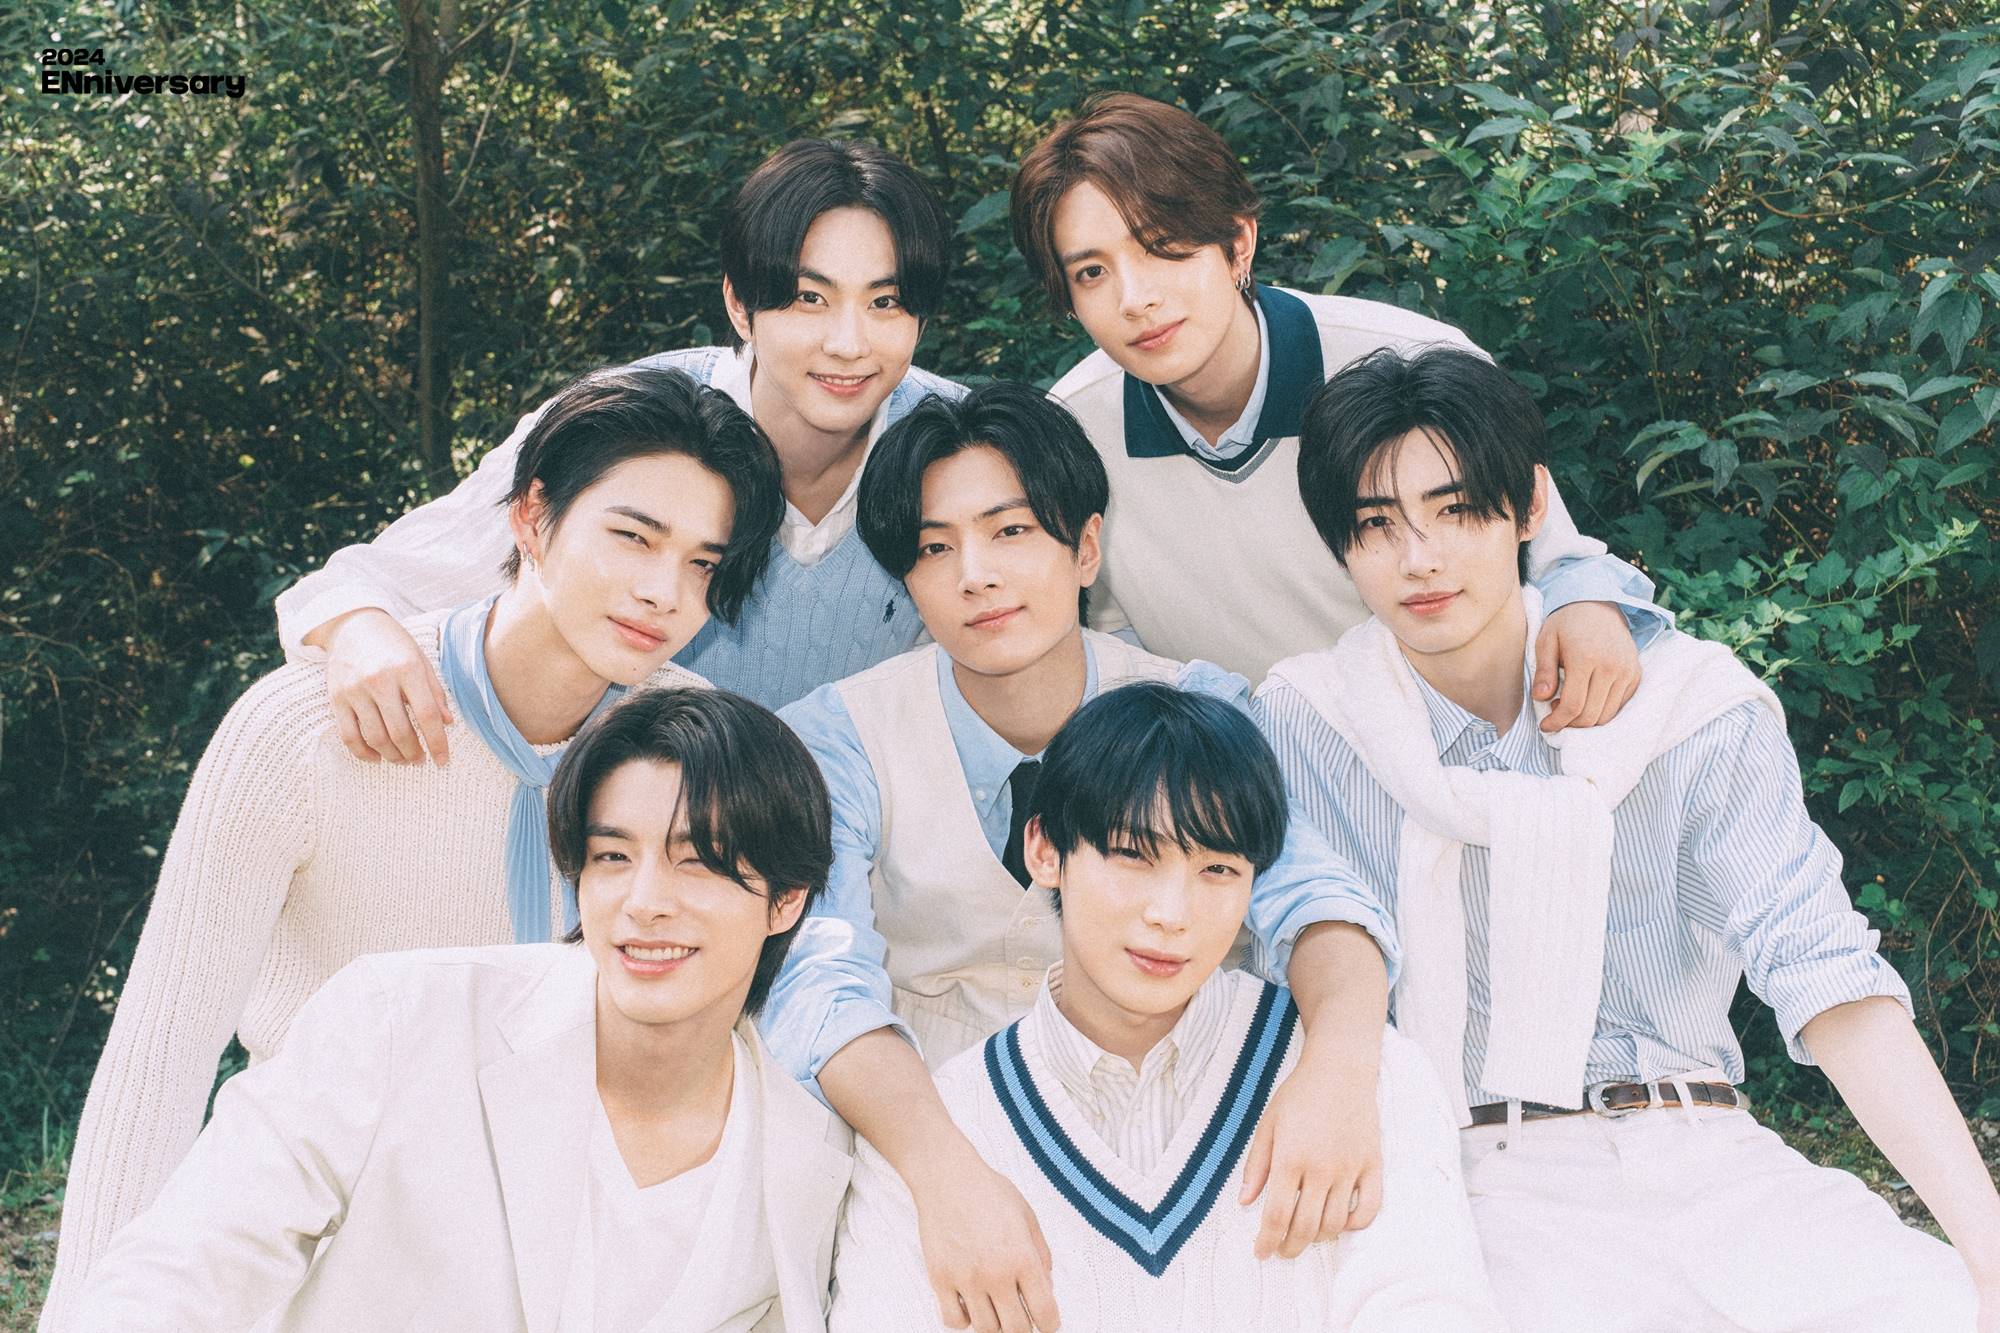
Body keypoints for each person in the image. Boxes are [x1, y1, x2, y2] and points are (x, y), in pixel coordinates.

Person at [1256, 344, 1993, 1331]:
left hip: (1705, 1154)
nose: (1418, 558)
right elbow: (1295, 959)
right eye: (1376, 524)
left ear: (1528, 508)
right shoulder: (1309, 722)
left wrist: (1987, 1243)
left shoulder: (1687, 705)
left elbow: (1824, 971)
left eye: (1456, 510)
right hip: (1466, 1175)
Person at [39, 366, 783, 1329]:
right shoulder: (301, 730)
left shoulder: (699, 751)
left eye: (703, 565)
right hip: (324, 1232)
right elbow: (160, 1060)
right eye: (633, 537)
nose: (663, 592)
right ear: (531, 517)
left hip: (577, 1252)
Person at [767, 383, 1404, 1333]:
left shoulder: (1198, 706)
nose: (976, 575)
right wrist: (943, 1172)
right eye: (935, 548)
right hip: (929, 1124)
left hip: (1173, 1109)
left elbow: (1316, 900)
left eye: (1012, 531)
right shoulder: (838, 737)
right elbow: (820, 980)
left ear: (1086, 548)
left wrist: (1341, 1066)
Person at [72, 688, 852, 1331]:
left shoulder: (805, 1160)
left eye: (699, 862)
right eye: (613, 856)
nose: (644, 902)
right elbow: (192, 1257)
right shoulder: (398, 1017)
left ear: (785, 899)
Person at [829, 683, 1504, 1330]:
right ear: (1045, 851)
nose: (1172, 913)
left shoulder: (1359, 1081)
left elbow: (1429, 1307)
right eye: (1133, 855)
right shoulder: (944, 1136)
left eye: (1218, 870)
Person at [274, 136, 964, 736]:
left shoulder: (959, 446)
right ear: (739, 304)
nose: (848, 343)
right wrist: (359, 630)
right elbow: (359, 584)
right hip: (629, 830)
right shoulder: (632, 420)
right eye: (810, 298)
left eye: (885, 302)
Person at [1011, 91, 1663, 714]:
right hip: (1239, 766)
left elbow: (1561, 563)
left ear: (1238, 243)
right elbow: (1105, 638)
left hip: (1459, 738)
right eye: (1092, 272)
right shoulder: (1069, 432)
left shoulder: (1410, 364)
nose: (1135, 298)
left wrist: (1586, 608)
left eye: (1160, 246)